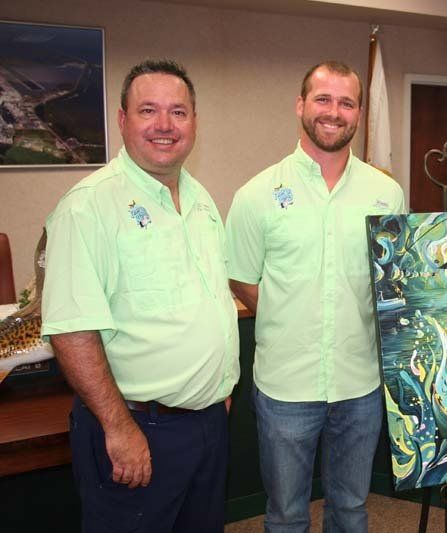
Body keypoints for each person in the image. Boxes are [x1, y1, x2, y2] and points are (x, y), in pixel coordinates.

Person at [41, 59, 239, 533]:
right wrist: (118, 427)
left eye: (179, 112)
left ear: (195, 122)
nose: (165, 125)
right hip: (138, 430)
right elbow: (72, 330)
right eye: (148, 110)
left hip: (207, 426)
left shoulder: (199, 199)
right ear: (123, 119)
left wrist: (217, 391)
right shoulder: (88, 208)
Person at [225, 60, 405, 532]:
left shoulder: (386, 193)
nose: (334, 111)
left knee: (350, 508)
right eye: (323, 99)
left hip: (359, 384)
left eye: (346, 102)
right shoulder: (257, 195)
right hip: (286, 386)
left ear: (359, 113)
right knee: (286, 514)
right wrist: (289, 315)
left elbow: (393, 281)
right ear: (300, 105)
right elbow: (242, 279)